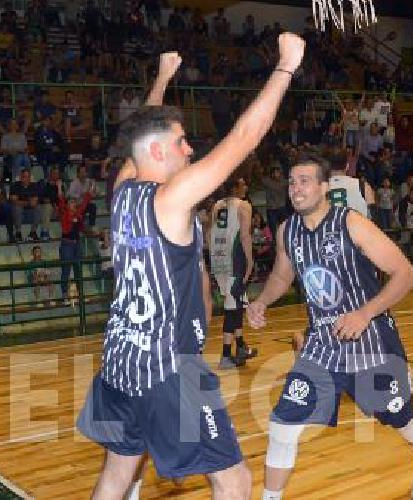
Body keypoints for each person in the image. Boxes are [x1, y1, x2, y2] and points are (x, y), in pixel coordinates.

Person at [75, 34, 306, 500]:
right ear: (159, 153)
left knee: (119, 471)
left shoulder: (121, 192)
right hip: (167, 370)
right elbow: (243, 139)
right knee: (234, 481)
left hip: (119, 359)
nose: (189, 150)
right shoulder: (171, 199)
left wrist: (162, 77)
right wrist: (285, 68)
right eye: (181, 143)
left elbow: (139, 135)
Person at [246, 155, 413, 500]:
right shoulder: (287, 231)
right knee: (283, 426)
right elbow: (280, 275)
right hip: (322, 345)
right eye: (291, 182)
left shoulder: (351, 223)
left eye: (304, 181)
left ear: (323, 187)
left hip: (370, 340)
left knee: (399, 417)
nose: (296, 188)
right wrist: (262, 300)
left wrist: (364, 313)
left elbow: (406, 273)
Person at [209, 177, 259, 369]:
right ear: (236, 188)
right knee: (232, 308)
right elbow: (245, 235)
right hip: (234, 258)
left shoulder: (217, 206)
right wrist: (250, 260)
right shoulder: (243, 206)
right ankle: (225, 355)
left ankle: (240, 347)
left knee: (235, 301)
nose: (246, 186)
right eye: (243, 184)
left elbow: (209, 233)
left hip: (218, 257)